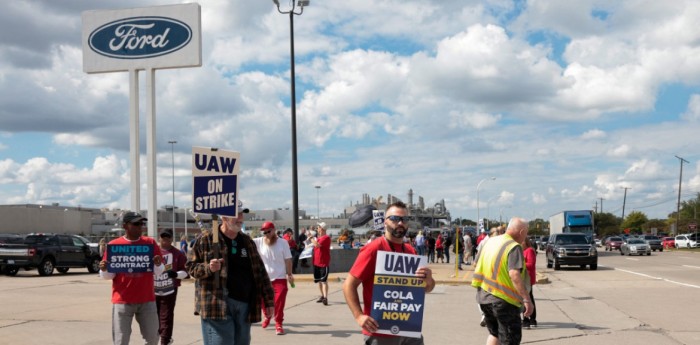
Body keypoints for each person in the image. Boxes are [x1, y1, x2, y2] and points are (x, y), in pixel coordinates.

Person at [342, 201, 435, 344]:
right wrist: (359, 316)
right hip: (380, 332)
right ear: (385, 222)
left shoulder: (411, 251)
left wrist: (429, 280)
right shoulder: (373, 249)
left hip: (410, 330)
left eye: (404, 219)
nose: (400, 223)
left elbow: (426, 288)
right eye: (395, 219)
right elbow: (348, 285)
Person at [185, 205, 275, 345]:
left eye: (241, 214)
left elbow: (260, 273)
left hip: (244, 306)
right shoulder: (206, 239)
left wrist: (269, 301)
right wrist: (208, 268)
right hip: (217, 305)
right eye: (236, 215)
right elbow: (190, 267)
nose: (241, 218)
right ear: (224, 217)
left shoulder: (247, 241)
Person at [99, 211, 164, 345]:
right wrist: (104, 269)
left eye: (141, 223)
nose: (140, 226)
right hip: (122, 301)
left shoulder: (150, 243)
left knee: (152, 339)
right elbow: (109, 276)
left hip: (147, 300)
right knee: (121, 340)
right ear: (125, 226)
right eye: (136, 224)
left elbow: (158, 272)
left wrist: (158, 264)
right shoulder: (114, 245)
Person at [471, 218, 533, 345]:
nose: (525, 236)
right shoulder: (513, 246)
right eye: (526, 233)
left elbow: (475, 262)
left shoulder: (490, 242)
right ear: (521, 232)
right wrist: (526, 299)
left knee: (495, 334)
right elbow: (514, 274)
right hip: (504, 301)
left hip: (484, 297)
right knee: (510, 339)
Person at [253, 221, 294, 335]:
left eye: (268, 231)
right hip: (264, 279)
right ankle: (267, 315)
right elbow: (245, 242)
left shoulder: (283, 243)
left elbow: (288, 260)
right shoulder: (258, 242)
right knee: (262, 300)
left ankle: (278, 324)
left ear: (274, 230)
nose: (266, 234)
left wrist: (289, 274)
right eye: (264, 232)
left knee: (279, 301)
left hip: (279, 277)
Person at [154, 228, 188, 345]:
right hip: (153, 289)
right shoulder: (153, 251)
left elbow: (185, 273)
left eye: (168, 238)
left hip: (170, 289)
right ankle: (157, 337)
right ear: (159, 238)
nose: (165, 241)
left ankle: (165, 340)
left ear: (172, 239)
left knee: (166, 316)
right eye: (163, 238)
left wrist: (175, 274)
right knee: (153, 315)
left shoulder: (178, 254)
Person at [310, 221, 331, 305]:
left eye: (318, 227)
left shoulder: (326, 238)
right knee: (319, 281)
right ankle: (322, 296)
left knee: (324, 281)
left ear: (322, 229)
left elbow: (317, 245)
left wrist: (310, 238)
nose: (317, 229)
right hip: (316, 263)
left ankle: (325, 297)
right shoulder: (318, 238)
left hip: (323, 263)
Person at [522, 237, 537, 329]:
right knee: (525, 299)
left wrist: (520, 263)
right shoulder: (521, 251)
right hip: (522, 278)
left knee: (528, 299)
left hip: (528, 278)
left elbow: (531, 264)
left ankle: (530, 319)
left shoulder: (530, 250)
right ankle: (528, 319)